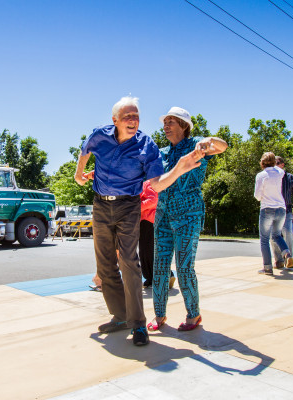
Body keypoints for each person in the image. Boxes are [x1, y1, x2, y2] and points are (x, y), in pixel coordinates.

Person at [74, 97, 204, 346]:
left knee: (129, 262)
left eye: (136, 116)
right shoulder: (100, 135)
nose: (133, 121)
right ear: (115, 120)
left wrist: (179, 168)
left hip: (128, 206)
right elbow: (85, 149)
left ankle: (138, 324)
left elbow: (157, 184)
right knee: (105, 265)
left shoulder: (147, 145)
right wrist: (79, 174)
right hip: (101, 204)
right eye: (128, 117)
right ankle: (120, 316)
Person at [148, 106, 227, 333]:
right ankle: (159, 314)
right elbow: (155, 182)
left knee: (184, 266)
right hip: (163, 215)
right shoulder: (160, 153)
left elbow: (222, 146)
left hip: (188, 214)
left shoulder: (197, 145)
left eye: (171, 122)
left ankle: (194, 314)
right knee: (160, 267)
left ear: (184, 126)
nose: (165, 126)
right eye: (165, 122)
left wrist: (209, 141)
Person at [255, 152, 292, 276]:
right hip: (281, 209)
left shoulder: (261, 175)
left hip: (267, 209)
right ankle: (287, 253)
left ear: (262, 162)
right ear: (274, 162)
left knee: (264, 239)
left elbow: (257, 195)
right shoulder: (280, 173)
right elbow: (278, 169)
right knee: (277, 235)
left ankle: (267, 268)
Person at [271, 156, 293, 269]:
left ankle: (289, 258)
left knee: (288, 232)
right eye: (273, 163)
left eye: (277, 163)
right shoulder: (270, 177)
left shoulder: (289, 177)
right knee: (273, 235)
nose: (274, 165)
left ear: (282, 165)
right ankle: (278, 260)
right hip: (273, 209)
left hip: (287, 209)